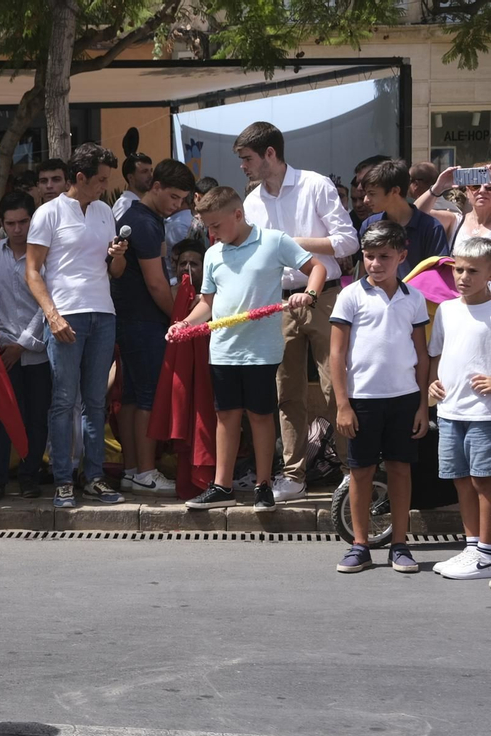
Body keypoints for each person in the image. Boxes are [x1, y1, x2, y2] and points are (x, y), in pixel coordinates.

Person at [171, 186, 326, 512]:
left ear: (238, 215)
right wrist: (186, 323)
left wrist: (308, 295)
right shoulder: (213, 253)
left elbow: (317, 268)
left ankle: (263, 485)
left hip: (261, 350)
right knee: (225, 416)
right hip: (224, 349)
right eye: (208, 227)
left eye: (215, 225)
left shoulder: (273, 240)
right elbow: (207, 304)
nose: (211, 233)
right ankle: (221, 485)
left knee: (259, 416)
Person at [237, 121, 360, 502]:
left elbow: (347, 242)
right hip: (278, 301)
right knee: (286, 391)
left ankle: (350, 469)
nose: (243, 166)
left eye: (247, 158)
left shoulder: (315, 184)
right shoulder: (252, 201)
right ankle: (293, 473)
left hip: (324, 295)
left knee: (335, 386)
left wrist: (290, 244)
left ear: (270, 154)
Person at [26, 142, 129, 509]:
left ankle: (95, 477)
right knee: (64, 400)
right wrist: (52, 316)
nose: (105, 186)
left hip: (103, 312)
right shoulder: (48, 213)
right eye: (100, 180)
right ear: (80, 177)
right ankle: (63, 480)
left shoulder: (104, 211)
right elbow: (32, 271)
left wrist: (117, 257)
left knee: (96, 401)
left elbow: (114, 271)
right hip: (67, 314)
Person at [328, 220, 430, 574]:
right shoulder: (350, 295)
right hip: (362, 400)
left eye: (384, 256)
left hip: (404, 400)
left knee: (401, 469)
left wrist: (421, 405)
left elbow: (421, 355)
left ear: (402, 256)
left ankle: (400, 545)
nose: (375, 263)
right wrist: (343, 404)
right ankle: (360, 545)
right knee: (361, 471)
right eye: (369, 256)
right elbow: (337, 355)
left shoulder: (413, 298)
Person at [112, 159, 197, 496]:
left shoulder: (140, 218)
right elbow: (157, 284)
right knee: (147, 396)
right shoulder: (145, 223)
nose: (177, 206)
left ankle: (133, 469)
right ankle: (146, 471)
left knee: (132, 397)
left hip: (129, 318)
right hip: (144, 320)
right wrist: (178, 319)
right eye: (174, 197)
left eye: (182, 200)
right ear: (156, 186)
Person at [426, 238, 491, 578]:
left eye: (472, 271)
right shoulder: (448, 310)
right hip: (450, 412)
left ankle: (485, 554)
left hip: (484, 415)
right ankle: (471, 547)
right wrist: (433, 384)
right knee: (462, 482)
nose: (463, 277)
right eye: (459, 269)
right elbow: (437, 353)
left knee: (484, 483)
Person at [0, 191, 51, 500]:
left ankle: (30, 476)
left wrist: (23, 343)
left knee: (36, 418)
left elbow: (48, 304)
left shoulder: (43, 258)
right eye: (10, 223)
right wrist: (2, 341)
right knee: (0, 417)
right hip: (1, 350)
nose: (17, 229)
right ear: (1, 224)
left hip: (36, 351)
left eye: (23, 221)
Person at [358, 159, 451, 279]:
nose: (366, 200)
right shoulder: (369, 225)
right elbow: (362, 270)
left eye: (372, 193)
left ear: (395, 191)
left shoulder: (431, 227)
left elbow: (438, 274)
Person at [111, 152, 154, 220]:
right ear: (130, 177)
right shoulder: (125, 206)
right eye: (144, 172)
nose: (150, 176)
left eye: (151, 171)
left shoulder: (145, 205)